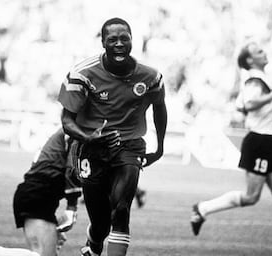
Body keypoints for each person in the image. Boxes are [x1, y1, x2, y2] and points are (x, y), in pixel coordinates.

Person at [58, 17, 167, 256]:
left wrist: (159, 147)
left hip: (129, 146)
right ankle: (94, 246)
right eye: (112, 39)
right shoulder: (82, 74)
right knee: (101, 224)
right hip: (91, 149)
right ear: (103, 42)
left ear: (132, 41)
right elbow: (66, 120)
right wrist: (88, 137)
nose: (119, 43)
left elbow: (160, 107)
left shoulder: (151, 77)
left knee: (121, 210)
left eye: (124, 38)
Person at [190, 42, 272, 256]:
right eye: (259, 51)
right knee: (251, 196)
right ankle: (202, 209)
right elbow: (250, 104)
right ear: (250, 60)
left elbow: (242, 107)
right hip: (259, 142)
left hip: (269, 141)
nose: (264, 52)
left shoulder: (257, 80)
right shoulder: (255, 80)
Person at [0, 128, 82, 256]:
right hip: (38, 195)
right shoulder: (78, 131)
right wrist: (71, 207)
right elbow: (72, 168)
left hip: (39, 195)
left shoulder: (73, 128)